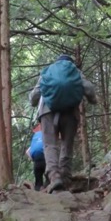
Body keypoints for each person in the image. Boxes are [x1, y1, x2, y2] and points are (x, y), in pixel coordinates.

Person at [29, 54, 97, 193]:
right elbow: (89, 89)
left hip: (47, 112)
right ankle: (65, 176)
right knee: (67, 144)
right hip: (70, 112)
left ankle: (54, 177)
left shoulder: (48, 71)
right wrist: (93, 100)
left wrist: (34, 101)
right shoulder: (75, 71)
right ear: (71, 63)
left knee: (50, 145)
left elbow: (34, 97)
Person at [26, 124, 47, 191]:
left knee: (38, 181)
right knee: (49, 178)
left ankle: (38, 188)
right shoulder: (46, 133)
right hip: (46, 158)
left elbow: (27, 152)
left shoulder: (35, 137)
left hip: (37, 160)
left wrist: (34, 160)